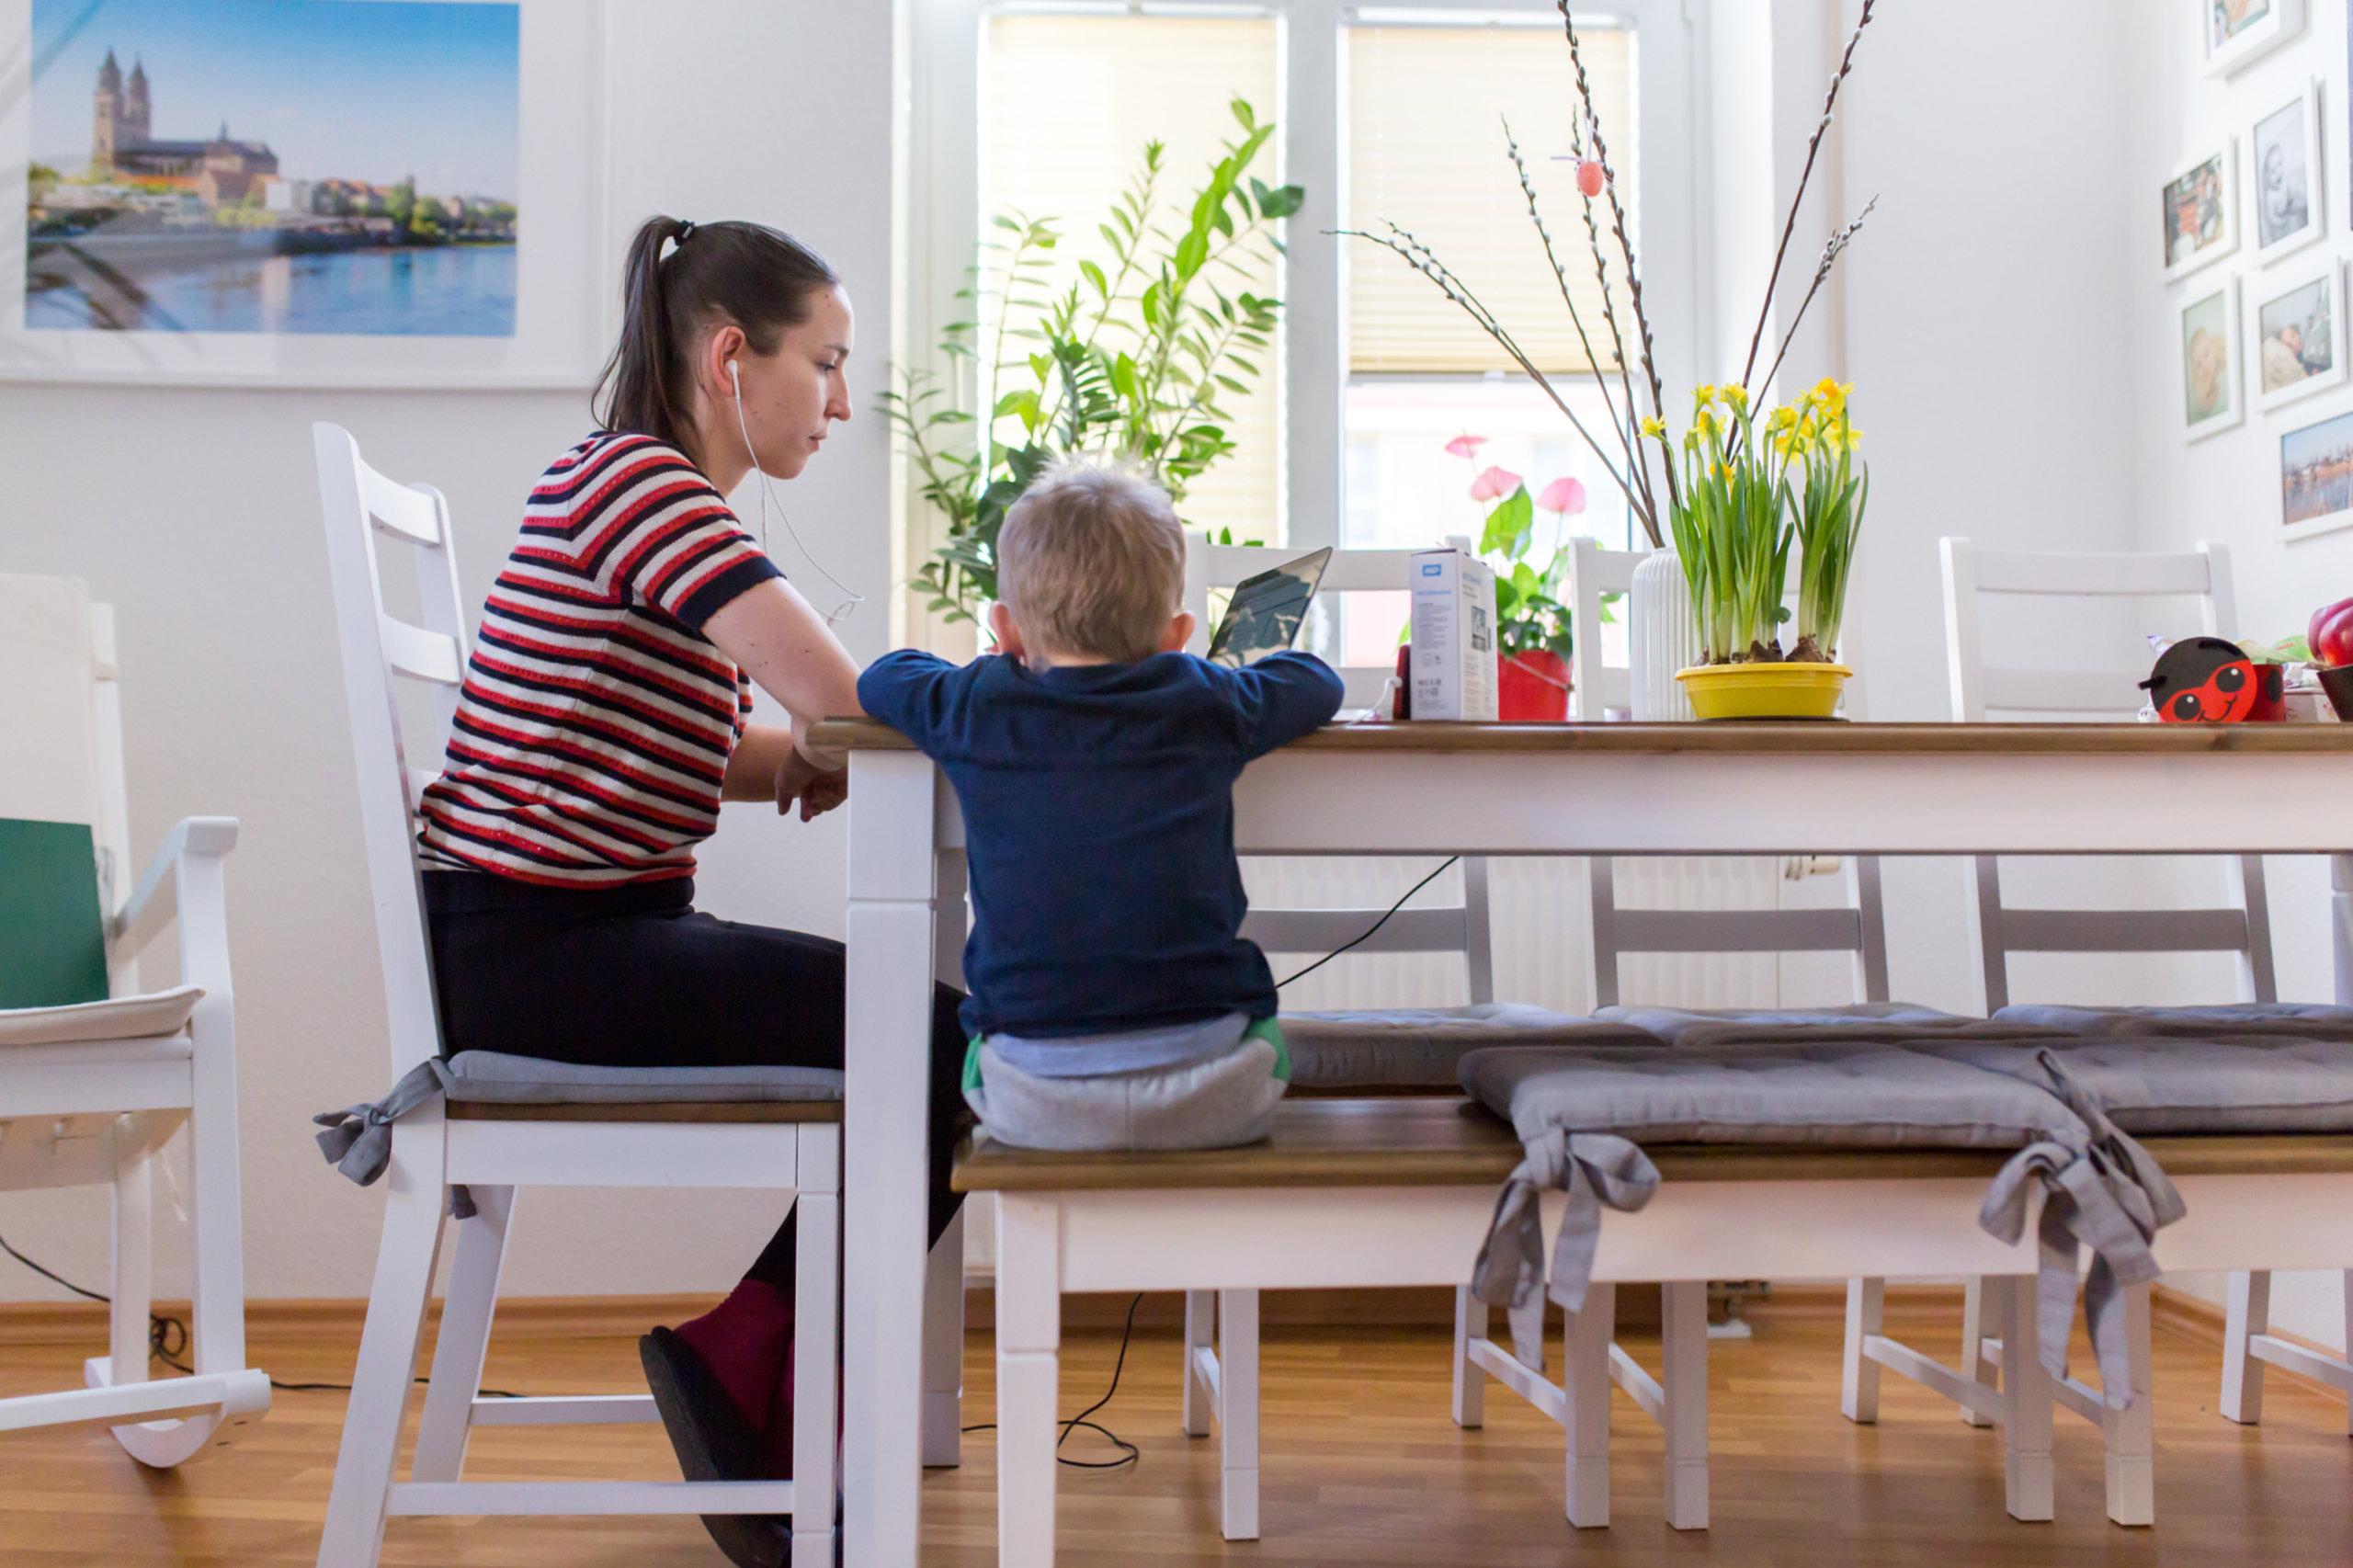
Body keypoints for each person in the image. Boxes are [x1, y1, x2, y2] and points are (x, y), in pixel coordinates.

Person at [414, 214, 968, 1568]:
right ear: (733, 357)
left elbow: (663, 738)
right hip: (540, 950)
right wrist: (958, 706)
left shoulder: (631, 493)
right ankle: (747, 1369)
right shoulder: (648, 493)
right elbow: (853, 698)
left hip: (550, 931)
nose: (842, 401)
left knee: (932, 1036)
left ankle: (768, 1383)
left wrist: (796, 760)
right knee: (950, 1042)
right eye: (826, 363)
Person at [858, 461, 1344, 1153]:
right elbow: (1314, 682)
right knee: (1262, 1023)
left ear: (1006, 629)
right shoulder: (1205, 698)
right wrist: (1210, 672)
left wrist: (992, 665)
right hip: (1217, 1096)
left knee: (972, 1034)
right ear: (1177, 634)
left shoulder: (977, 702)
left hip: (1029, 1101)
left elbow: (884, 677)